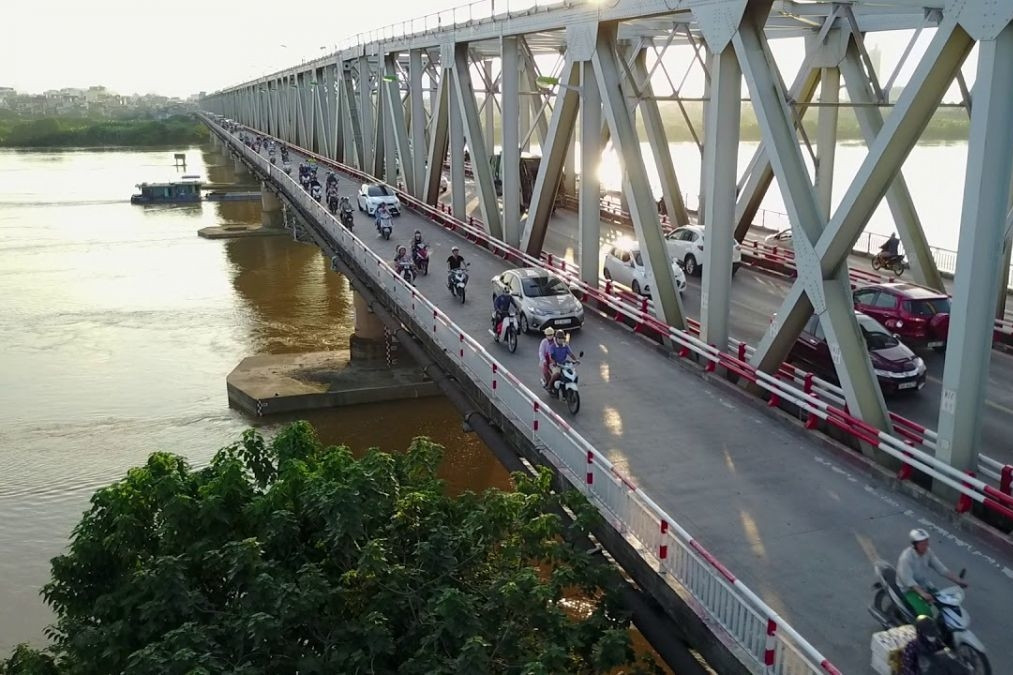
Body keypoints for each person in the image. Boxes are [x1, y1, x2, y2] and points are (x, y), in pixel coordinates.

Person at [897, 529, 967, 618]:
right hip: (909, 590)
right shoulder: (906, 558)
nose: (926, 546)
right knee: (926, 613)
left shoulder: (927, 552)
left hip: (925, 585)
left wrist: (958, 580)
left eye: (927, 543)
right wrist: (923, 594)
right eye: (923, 544)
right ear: (915, 545)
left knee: (945, 603)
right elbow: (909, 581)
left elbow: (941, 569)